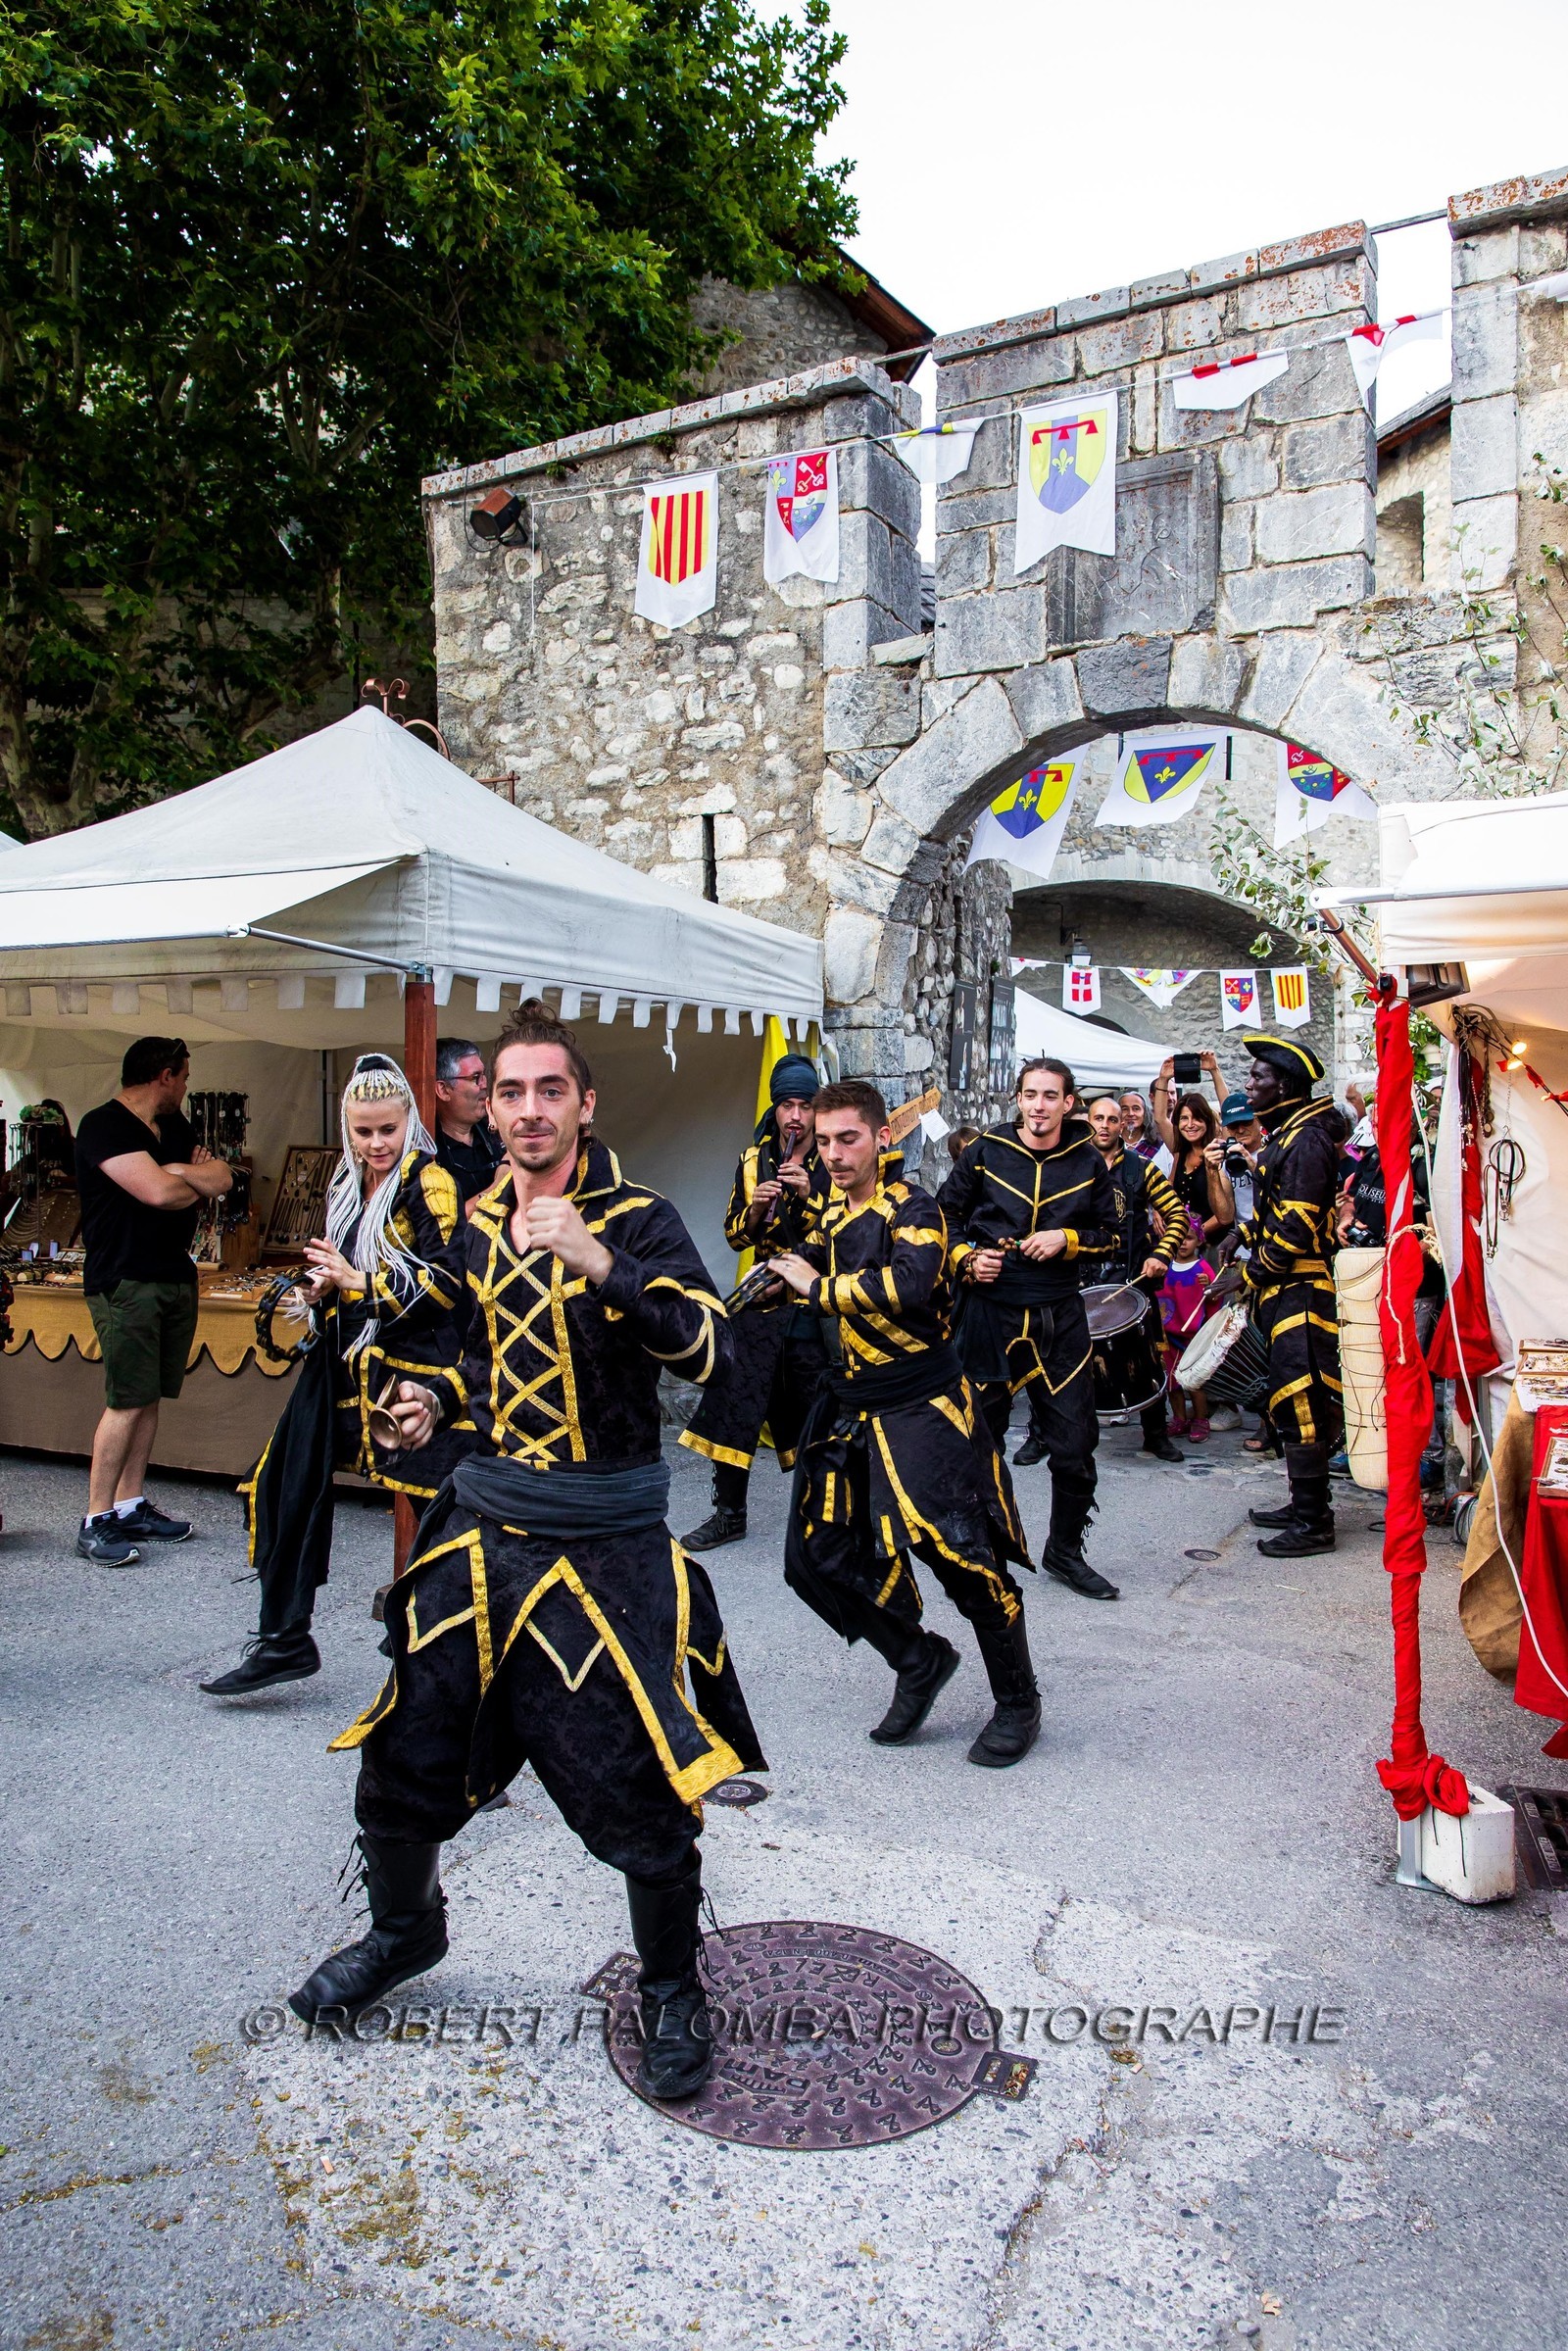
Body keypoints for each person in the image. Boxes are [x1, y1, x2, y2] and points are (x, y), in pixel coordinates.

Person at [287, 1001, 762, 2105]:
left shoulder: (638, 1217)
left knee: (636, 1782)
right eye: (511, 1091)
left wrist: (603, 1262)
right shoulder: (475, 1224)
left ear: (586, 1104)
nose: (530, 1109)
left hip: (606, 1547)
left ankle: (671, 1985)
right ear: (487, 1106)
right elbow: (469, 1359)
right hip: (484, 1537)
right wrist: (425, 1402)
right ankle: (405, 1929)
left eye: (552, 1089)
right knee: (405, 1744)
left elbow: (711, 1347)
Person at [768, 1079, 1040, 1765]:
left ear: (881, 1137)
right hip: (848, 1407)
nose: (833, 1154)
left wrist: (816, 1288)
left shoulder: (914, 1206)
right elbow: (803, 1255)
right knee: (815, 1555)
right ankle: (918, 1659)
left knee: (962, 1559)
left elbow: (911, 1283)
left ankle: (1018, 1700)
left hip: (923, 1405)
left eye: (847, 1139)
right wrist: (781, 1276)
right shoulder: (830, 1210)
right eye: (823, 1141)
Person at [201, 1054, 470, 1698]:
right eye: (363, 1131)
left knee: (449, 1514)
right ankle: (284, 1636)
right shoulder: (347, 1185)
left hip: (414, 1372)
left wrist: (360, 1283)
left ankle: (439, 1650)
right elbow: (345, 1267)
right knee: (281, 1482)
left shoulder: (430, 1181)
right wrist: (322, 1285)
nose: (376, 1143)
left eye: (387, 1129)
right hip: (343, 1362)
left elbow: (448, 1284)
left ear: (410, 1121)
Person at [938, 1059, 1120, 1601]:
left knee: (1075, 1442)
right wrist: (966, 1258)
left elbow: (1112, 1235)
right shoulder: (985, 1151)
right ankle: (983, 1552)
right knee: (979, 1439)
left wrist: (1068, 1239)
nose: (1039, 1106)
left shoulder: (1088, 1161)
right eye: (1030, 1094)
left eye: (1050, 1096)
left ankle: (1065, 1551)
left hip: (1058, 1315)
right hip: (989, 1312)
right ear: (1018, 1099)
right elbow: (942, 1218)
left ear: (1069, 1103)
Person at [74, 1038, 235, 1567]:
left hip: (172, 1275)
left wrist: (178, 1172)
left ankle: (129, 1503)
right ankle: (96, 1518)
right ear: (165, 1075)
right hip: (126, 1279)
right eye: (183, 1077)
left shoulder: (174, 1126)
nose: (186, 1087)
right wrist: (184, 1177)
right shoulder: (104, 1126)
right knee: (126, 1397)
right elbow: (160, 1194)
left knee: (147, 1397)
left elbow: (223, 1177)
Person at [679, 1053, 832, 1550]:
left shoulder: (833, 1155)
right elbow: (734, 1235)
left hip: (814, 1302)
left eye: (805, 1105)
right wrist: (755, 1211)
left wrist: (809, 1197)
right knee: (734, 1399)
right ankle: (729, 1514)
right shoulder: (752, 1160)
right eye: (787, 1105)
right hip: (761, 1301)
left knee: (816, 1407)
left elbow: (847, 1229)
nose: (795, 1117)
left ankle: (824, 1517)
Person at [1223, 1036, 1345, 1557]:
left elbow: (1296, 1226)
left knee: (1303, 1399)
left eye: (1258, 1077)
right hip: (1284, 1290)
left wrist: (1248, 1276)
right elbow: (1275, 1213)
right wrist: (1239, 1237)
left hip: (1303, 1292)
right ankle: (1303, 1505)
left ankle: (1315, 1524)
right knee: (1288, 1400)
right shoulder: (1290, 1134)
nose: (1249, 1084)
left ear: (1286, 1085)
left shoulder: (1307, 1140)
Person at [1082, 1092, 1185, 1464]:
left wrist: (1161, 1254)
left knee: (1147, 1357)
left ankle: (1155, 1435)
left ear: (1122, 1125)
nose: (1105, 1125)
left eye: (1112, 1119)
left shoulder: (1142, 1168)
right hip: (1081, 1278)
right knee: (1065, 1360)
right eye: (1099, 1118)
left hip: (1132, 1278)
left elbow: (1177, 1215)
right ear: (1088, 1122)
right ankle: (1046, 1434)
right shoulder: (1071, 1167)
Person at [1151, 1055, 1234, 1255]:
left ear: (1207, 1121)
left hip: (1214, 1247)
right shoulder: (1180, 1152)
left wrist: (1214, 1071)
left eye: (1196, 1118)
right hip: (1183, 1245)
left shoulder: (1218, 1151)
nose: (1190, 1125)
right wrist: (1163, 1078)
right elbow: (1160, 1118)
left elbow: (1228, 1112)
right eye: (1184, 1118)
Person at [1158, 1215, 1217, 1440]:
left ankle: (1201, 1420)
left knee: (1194, 1382)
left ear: (1199, 1241)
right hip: (1168, 1334)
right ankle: (1179, 1419)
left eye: (1189, 1238)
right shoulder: (1164, 1265)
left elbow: (1214, 1298)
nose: (1183, 1243)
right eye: (1178, 1238)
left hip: (1193, 1336)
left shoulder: (1203, 1269)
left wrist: (1209, 1287)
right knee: (1172, 1383)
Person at [431, 1037, 504, 1202]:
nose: (485, 1084)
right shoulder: (428, 1152)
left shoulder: (495, 1130)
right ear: (443, 1090)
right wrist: (498, 1186)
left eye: (484, 1075)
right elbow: (448, 1219)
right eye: (475, 1077)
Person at [1118, 1091, 1158, 1162]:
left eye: (1136, 1109)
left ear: (1145, 1113)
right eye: (1125, 1109)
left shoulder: (1158, 1145)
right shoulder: (1111, 1143)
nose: (1130, 1114)